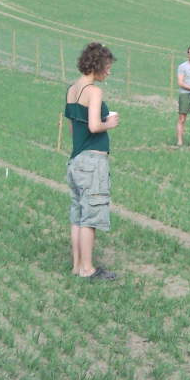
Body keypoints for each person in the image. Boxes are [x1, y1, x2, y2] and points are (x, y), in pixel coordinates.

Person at [64, 42, 121, 280]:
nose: (109, 71)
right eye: (107, 66)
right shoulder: (94, 92)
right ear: (97, 65)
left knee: (77, 216)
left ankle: (77, 266)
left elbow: (73, 129)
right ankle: (88, 269)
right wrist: (110, 123)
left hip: (76, 161)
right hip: (92, 163)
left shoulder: (72, 90)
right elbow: (95, 126)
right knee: (91, 216)